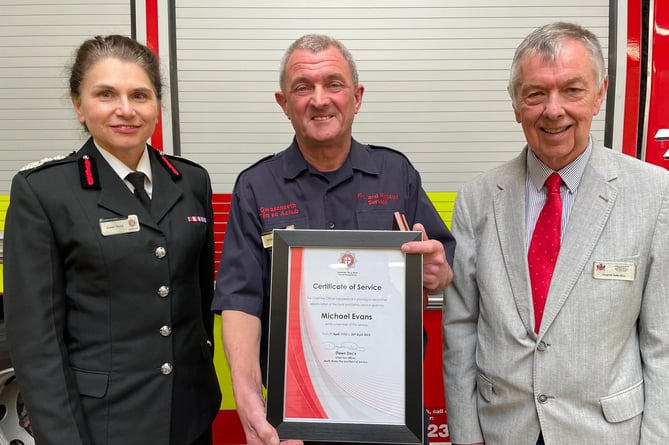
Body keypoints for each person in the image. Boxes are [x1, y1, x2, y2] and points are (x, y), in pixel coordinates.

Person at [212, 34, 455, 445]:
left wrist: (439, 270)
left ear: (356, 97)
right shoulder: (256, 186)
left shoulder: (397, 173)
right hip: (295, 416)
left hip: (390, 410)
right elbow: (241, 301)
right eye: (302, 88)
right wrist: (249, 398)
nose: (319, 99)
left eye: (334, 84)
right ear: (283, 102)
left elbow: (442, 265)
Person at [442, 21, 669, 445]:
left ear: (600, 94)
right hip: (502, 431)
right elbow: (461, 327)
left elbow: (663, 344)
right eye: (535, 94)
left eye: (572, 90)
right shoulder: (476, 199)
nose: (553, 109)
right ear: (515, 105)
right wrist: (466, 434)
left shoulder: (653, 193)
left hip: (606, 434)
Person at [3, 35, 221, 445]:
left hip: (190, 415)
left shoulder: (191, 181)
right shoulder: (45, 192)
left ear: (157, 104)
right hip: (102, 425)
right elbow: (37, 342)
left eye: (140, 94)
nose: (126, 110)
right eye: (106, 94)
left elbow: (199, 301)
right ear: (78, 104)